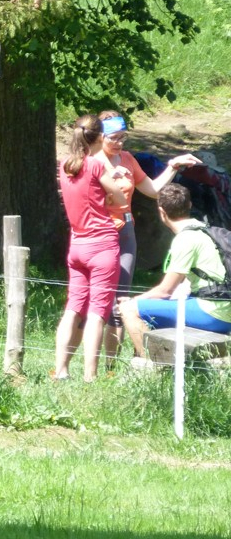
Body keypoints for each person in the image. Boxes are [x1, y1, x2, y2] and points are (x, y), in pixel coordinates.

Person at [93, 111, 201, 367]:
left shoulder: (128, 159)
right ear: (100, 137)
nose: (119, 143)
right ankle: (89, 367)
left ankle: (110, 366)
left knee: (120, 298)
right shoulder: (91, 163)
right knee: (97, 301)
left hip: (126, 233)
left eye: (123, 137)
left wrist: (173, 165)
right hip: (99, 233)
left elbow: (152, 190)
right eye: (113, 138)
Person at [119, 183, 231, 364]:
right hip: (225, 307)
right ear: (189, 205)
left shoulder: (185, 239)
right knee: (155, 307)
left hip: (213, 313)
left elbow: (165, 290)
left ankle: (150, 366)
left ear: (161, 211)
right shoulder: (205, 229)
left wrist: (134, 300)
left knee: (129, 310)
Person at [52, 114, 125, 382]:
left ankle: (60, 370)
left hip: (77, 246)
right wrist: (113, 183)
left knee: (73, 308)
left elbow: (84, 191)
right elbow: (119, 197)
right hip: (102, 245)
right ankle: (90, 376)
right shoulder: (96, 165)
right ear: (99, 137)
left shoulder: (65, 165)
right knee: (97, 312)